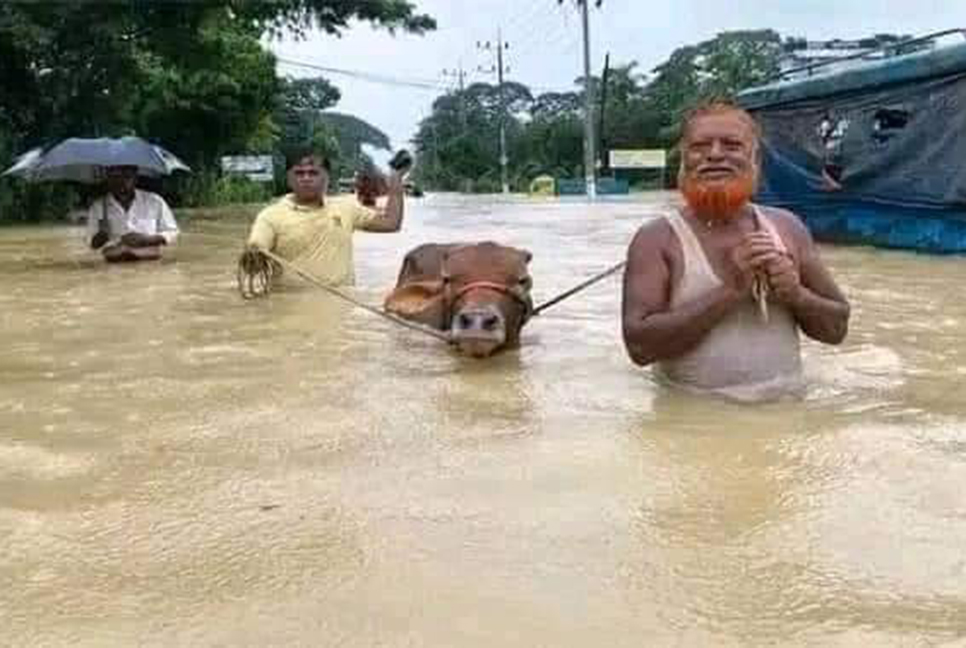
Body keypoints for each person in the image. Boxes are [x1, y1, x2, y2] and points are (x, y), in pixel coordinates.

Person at [621, 102, 850, 401]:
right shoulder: (657, 239)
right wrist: (731, 289)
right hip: (694, 422)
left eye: (731, 145)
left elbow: (837, 329)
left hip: (787, 420)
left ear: (754, 159)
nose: (715, 154)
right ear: (684, 161)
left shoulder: (787, 227)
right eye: (700, 146)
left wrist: (795, 295)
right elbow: (639, 348)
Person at [245, 149, 407, 286]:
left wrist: (396, 178)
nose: (306, 178)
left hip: (342, 306)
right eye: (299, 173)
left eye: (313, 172)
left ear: (327, 177)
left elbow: (391, 223)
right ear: (289, 178)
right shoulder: (270, 216)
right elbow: (254, 258)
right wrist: (253, 255)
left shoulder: (346, 208)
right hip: (289, 307)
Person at [87, 165, 179, 262]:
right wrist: (101, 236)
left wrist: (146, 240)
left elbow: (172, 232)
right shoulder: (98, 207)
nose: (120, 181)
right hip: (114, 263)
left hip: (149, 262)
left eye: (127, 176)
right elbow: (92, 244)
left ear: (136, 178)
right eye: (115, 177)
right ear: (108, 179)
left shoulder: (155, 201)